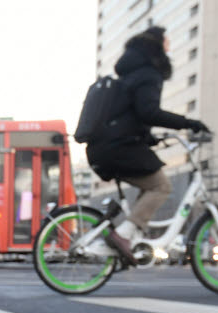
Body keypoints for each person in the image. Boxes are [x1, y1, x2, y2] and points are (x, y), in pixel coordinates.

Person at [86, 26, 209, 262]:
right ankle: (124, 234)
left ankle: (128, 239)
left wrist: (150, 139)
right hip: (117, 147)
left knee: (149, 183)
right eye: (167, 40)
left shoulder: (129, 74)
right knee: (161, 186)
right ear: (156, 45)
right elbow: (148, 112)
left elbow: (129, 117)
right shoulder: (148, 74)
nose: (169, 45)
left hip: (105, 146)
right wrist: (189, 123)